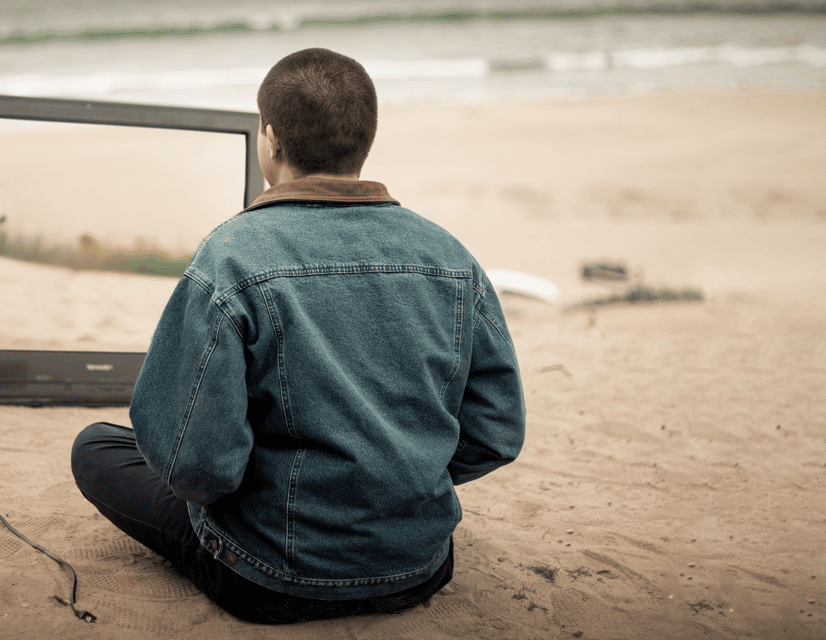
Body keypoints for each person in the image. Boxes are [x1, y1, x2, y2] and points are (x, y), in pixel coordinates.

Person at [70, 47, 527, 625]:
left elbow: (197, 468)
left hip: (271, 577)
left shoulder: (231, 257)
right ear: (364, 141)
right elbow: (496, 432)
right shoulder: (451, 257)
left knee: (96, 446)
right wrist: (396, 478)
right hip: (419, 567)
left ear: (271, 140)